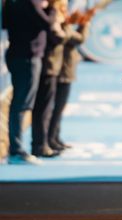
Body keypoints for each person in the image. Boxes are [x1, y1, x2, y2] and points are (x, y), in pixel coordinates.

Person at [3, 0, 58, 164]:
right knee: (21, 105)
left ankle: (16, 148)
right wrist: (52, 7)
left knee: (20, 104)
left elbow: (5, 23)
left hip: (17, 54)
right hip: (28, 57)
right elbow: (48, 24)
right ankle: (16, 150)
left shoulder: (12, 3)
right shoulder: (29, 3)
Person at [47, 5, 95, 151]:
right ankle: (50, 139)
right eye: (62, 7)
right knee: (55, 109)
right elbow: (78, 39)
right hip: (61, 72)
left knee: (59, 109)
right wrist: (85, 24)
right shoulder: (60, 24)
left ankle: (55, 137)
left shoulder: (63, 24)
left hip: (65, 72)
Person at [31, 0, 66, 158]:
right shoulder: (47, 13)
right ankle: (40, 144)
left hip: (49, 67)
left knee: (46, 109)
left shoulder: (47, 12)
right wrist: (55, 15)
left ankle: (44, 142)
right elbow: (57, 37)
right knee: (42, 110)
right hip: (47, 67)